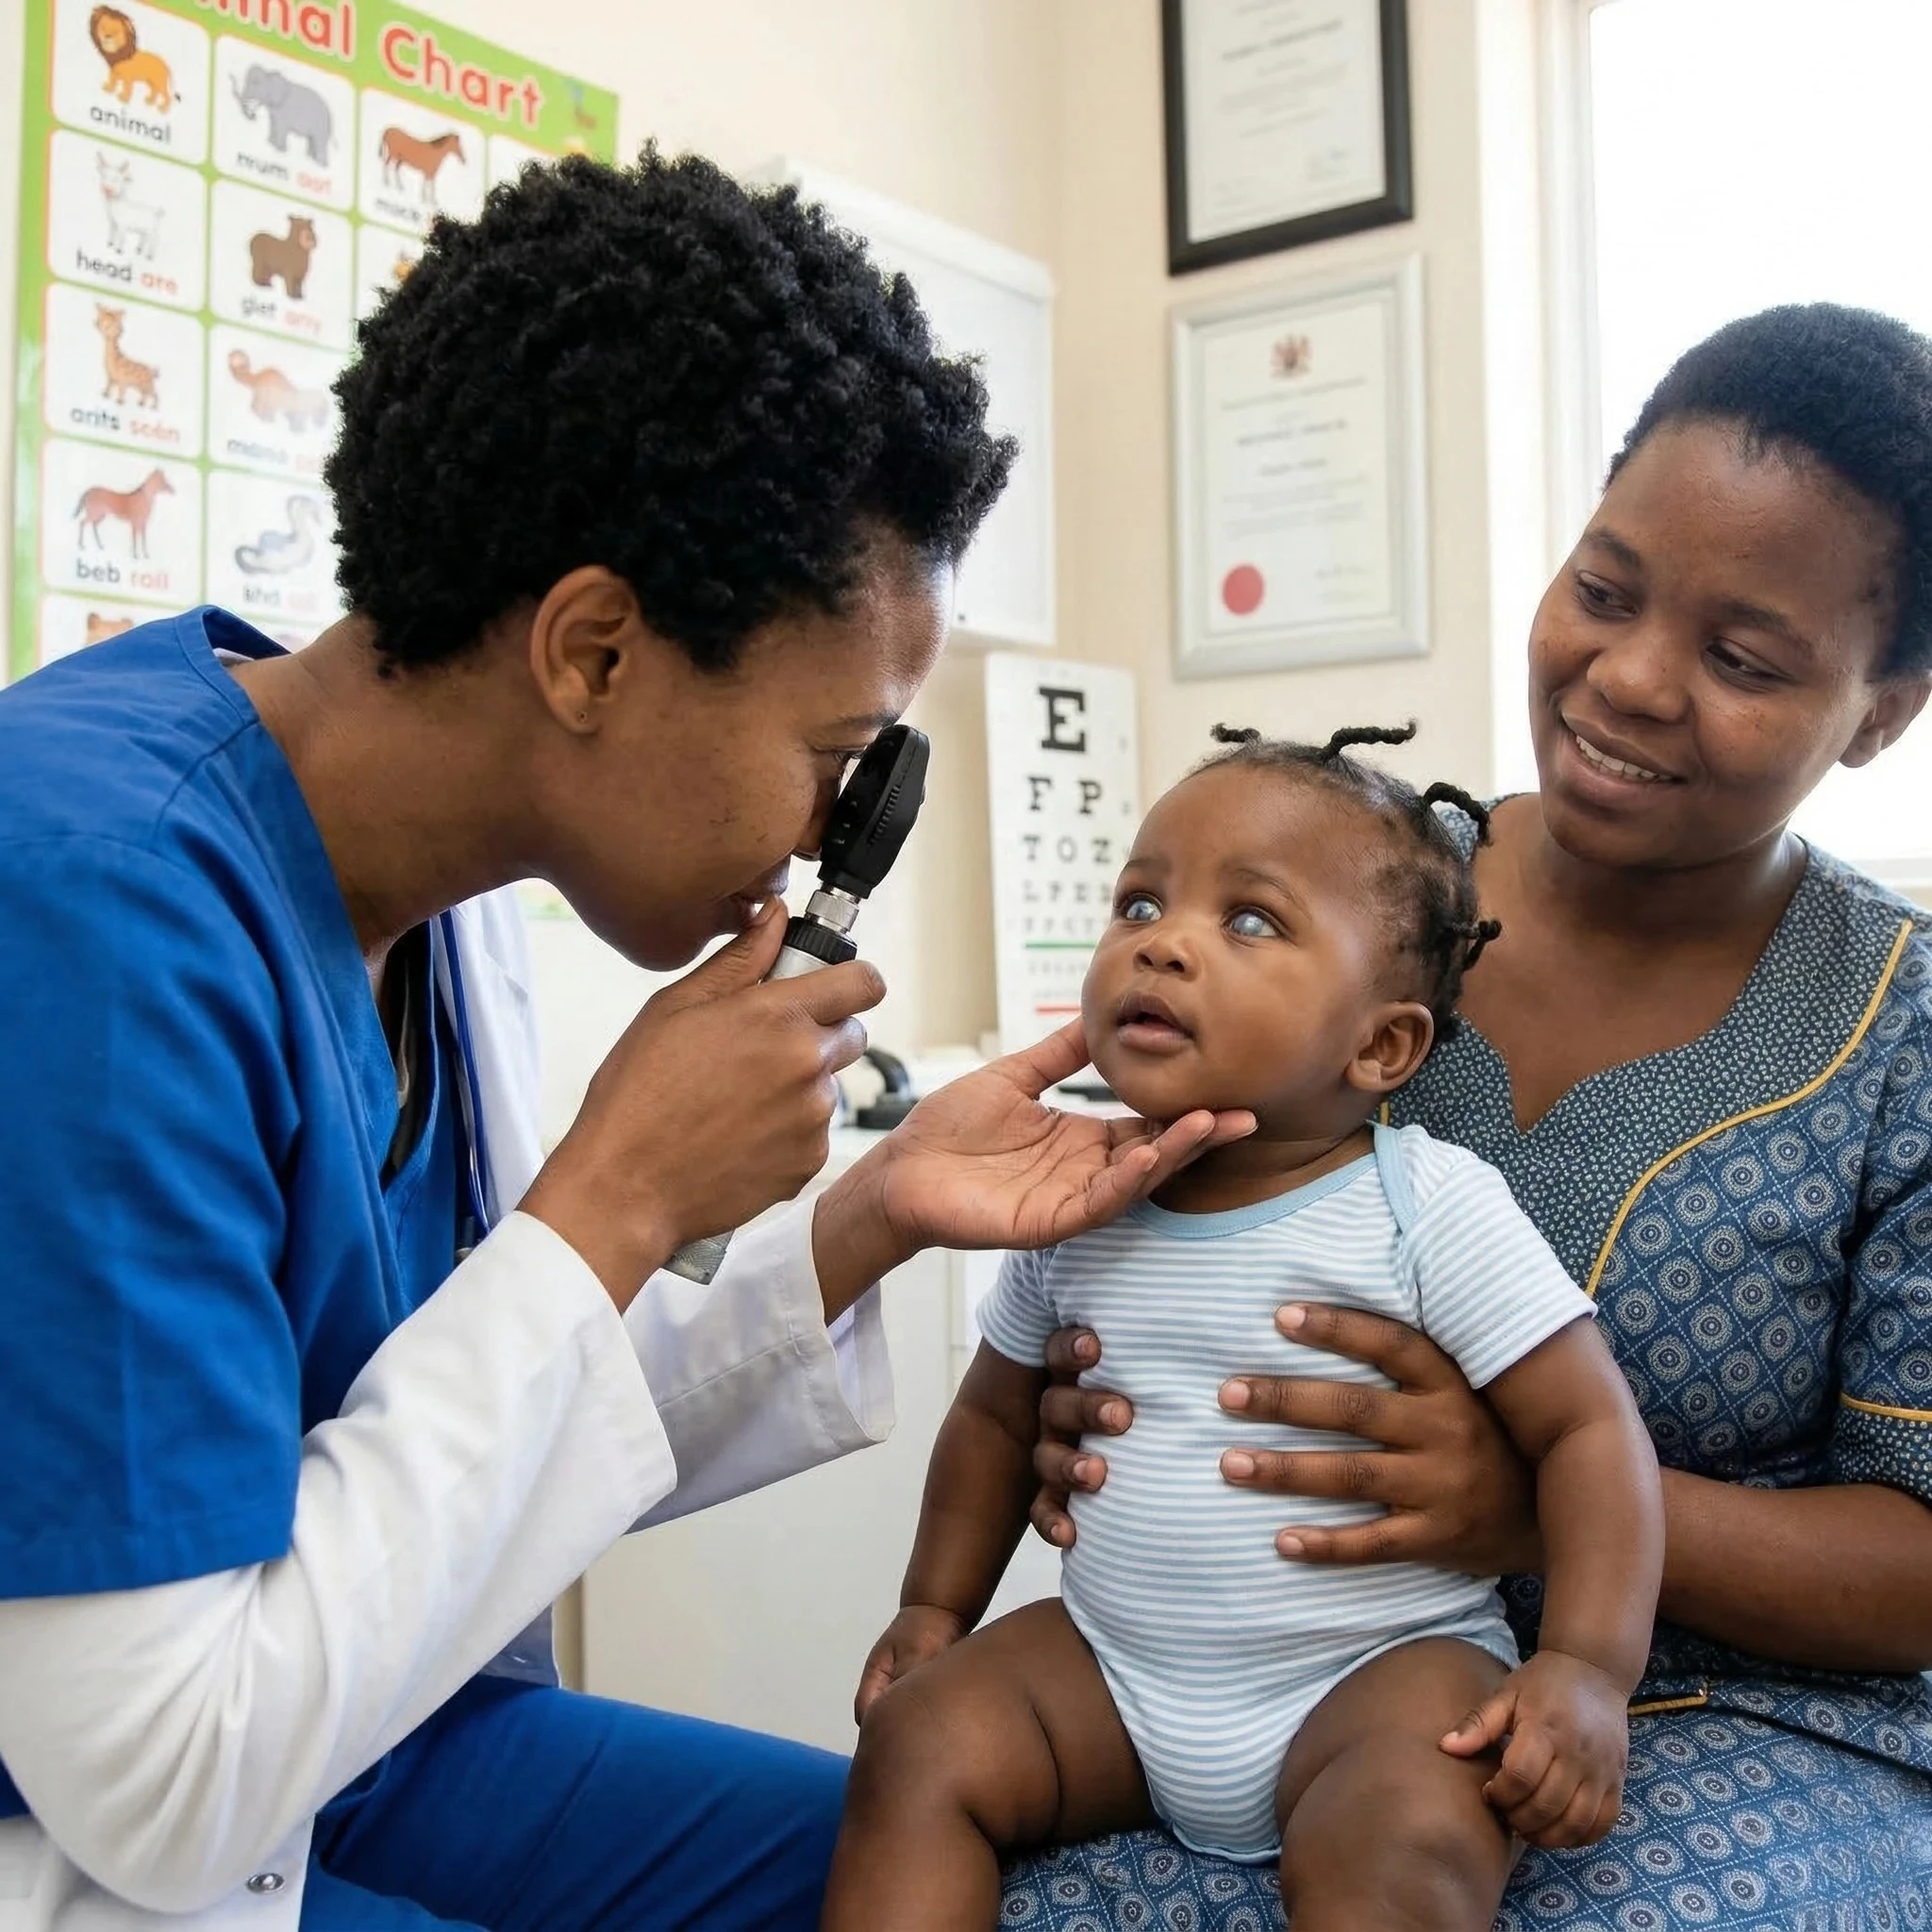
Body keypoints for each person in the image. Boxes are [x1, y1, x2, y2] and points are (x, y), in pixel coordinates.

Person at [0, 151, 1255, 1932]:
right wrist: (610, 1196)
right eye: (838, 756)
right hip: (113, 1826)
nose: (833, 841)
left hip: (360, 1740)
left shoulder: (446, 906)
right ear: (592, 651)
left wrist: (872, 1207)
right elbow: (156, 1771)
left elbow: (458, 1424)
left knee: (995, 1882)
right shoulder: (90, 903)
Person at [1005, 304, 1932, 1930]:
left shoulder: (1900, 1030)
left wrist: (1527, 1505)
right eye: (1602, 587)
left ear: (1876, 711)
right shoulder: (1331, 903)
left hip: (1752, 1707)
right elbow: (1116, 1221)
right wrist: (1061, 1399)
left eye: (1741, 658)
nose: (1629, 677)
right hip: (1276, 1657)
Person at [820, 725, 1664, 1931]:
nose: (1161, 938)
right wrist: (936, 1610)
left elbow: (1588, 1429)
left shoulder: (1422, 1202)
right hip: (1112, 1674)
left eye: (1250, 921)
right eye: (1139, 901)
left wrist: (1584, 1666)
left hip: (1374, 1678)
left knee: (1406, 1838)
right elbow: (996, 1417)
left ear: (1380, 1045)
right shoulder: (1078, 1199)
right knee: (914, 1747)